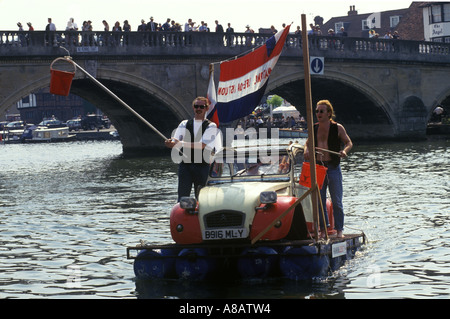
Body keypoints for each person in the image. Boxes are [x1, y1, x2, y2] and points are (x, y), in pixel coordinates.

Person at [303, 100, 352, 238]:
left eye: (321, 111)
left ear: (329, 113)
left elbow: (348, 142)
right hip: (319, 167)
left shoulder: (338, 128)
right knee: (320, 201)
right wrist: (306, 150)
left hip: (333, 167)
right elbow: (307, 143)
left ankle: (339, 230)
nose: (318, 113)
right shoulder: (314, 128)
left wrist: (344, 151)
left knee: (336, 201)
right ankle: (324, 230)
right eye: (317, 111)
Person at [165, 97, 222, 202]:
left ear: (206, 109)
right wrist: (170, 144)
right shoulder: (184, 124)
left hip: (202, 166)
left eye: (201, 106)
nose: (198, 109)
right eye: (196, 106)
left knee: (201, 197)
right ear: (193, 108)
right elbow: (175, 142)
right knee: (182, 196)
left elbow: (202, 145)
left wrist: (181, 143)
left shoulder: (211, 126)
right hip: (185, 166)